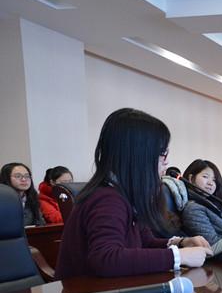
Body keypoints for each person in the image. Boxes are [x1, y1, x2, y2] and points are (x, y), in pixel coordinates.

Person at [55, 108, 212, 279]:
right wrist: (179, 256)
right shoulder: (106, 198)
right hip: (84, 292)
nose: (166, 162)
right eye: (162, 153)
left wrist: (182, 243)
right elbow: (105, 259)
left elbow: (145, 242)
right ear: (138, 155)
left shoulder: (123, 195)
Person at [181, 159, 222, 244]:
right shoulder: (193, 209)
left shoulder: (217, 203)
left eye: (214, 180)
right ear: (191, 179)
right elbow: (213, 244)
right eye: (205, 177)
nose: (210, 183)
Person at [0, 162, 45, 226]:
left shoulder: (32, 198)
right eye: (18, 176)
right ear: (6, 178)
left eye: (27, 176)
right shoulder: (2, 200)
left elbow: (40, 223)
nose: (24, 179)